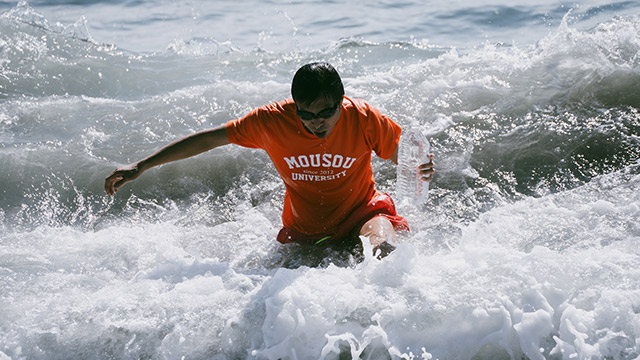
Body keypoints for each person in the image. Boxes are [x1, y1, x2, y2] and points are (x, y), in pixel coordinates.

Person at [105, 62, 435, 260]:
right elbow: (209, 139)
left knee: (380, 248)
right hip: (306, 229)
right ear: (295, 105)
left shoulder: (363, 118)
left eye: (326, 113)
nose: (316, 122)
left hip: (362, 211)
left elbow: (405, 158)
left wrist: (419, 167)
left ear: (341, 101)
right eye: (306, 114)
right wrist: (141, 165)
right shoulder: (270, 122)